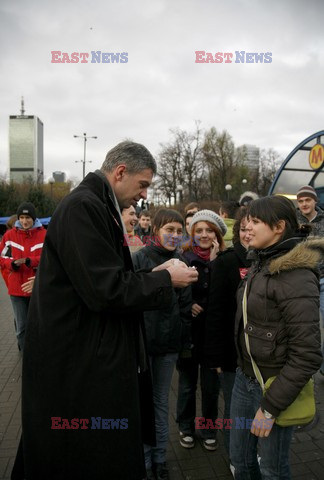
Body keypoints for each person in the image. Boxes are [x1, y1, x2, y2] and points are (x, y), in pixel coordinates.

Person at [13, 141, 198, 480]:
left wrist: (156, 276)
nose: (143, 195)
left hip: (82, 353)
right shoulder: (85, 206)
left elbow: (107, 278)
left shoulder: (95, 205)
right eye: (142, 184)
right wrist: (164, 281)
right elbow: (105, 289)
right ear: (120, 172)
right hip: (78, 360)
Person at [230, 195, 323, 480]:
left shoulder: (295, 275)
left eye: (255, 222)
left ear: (279, 227)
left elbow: (306, 355)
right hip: (243, 381)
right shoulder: (260, 261)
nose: (248, 228)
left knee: (272, 469)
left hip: (272, 388)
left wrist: (270, 407)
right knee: (241, 461)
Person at [132, 208, 192, 480]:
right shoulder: (139, 259)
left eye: (180, 231)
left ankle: (160, 460)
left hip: (167, 346)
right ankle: (144, 461)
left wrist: (183, 341)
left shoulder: (181, 261)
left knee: (159, 403)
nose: (175, 236)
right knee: (141, 404)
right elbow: (129, 295)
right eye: (170, 230)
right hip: (141, 345)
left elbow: (185, 307)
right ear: (156, 230)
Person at [176, 209, 227, 451]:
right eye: (199, 230)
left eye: (209, 230)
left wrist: (216, 261)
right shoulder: (182, 257)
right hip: (188, 333)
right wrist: (188, 305)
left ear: (217, 234)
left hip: (213, 335)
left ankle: (208, 429)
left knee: (210, 387)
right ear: (192, 233)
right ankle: (185, 427)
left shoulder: (224, 259)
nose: (204, 235)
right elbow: (170, 294)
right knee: (186, 385)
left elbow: (226, 295)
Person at [204, 207, 252, 458]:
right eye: (243, 229)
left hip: (260, 357)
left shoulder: (268, 260)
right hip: (231, 355)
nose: (247, 234)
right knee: (234, 410)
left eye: (252, 227)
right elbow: (216, 314)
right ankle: (235, 459)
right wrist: (216, 358)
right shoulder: (226, 262)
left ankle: (249, 454)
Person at [0, 203, 46, 351]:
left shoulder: (44, 235)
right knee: (21, 327)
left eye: (28, 218)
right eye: (22, 217)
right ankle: (27, 359)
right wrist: (11, 264)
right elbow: (1, 258)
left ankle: (39, 355)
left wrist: (31, 261)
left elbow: (50, 258)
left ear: (34, 218)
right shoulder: (9, 235)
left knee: (39, 325)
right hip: (17, 290)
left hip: (37, 288)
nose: (25, 221)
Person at [296, 185, 324, 375]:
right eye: (301, 201)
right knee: (304, 326)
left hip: (322, 278)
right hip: (300, 280)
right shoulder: (292, 222)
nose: (304, 204)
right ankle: (304, 365)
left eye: (307, 200)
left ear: (315, 201)